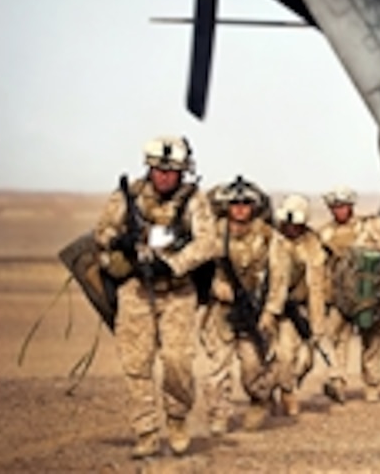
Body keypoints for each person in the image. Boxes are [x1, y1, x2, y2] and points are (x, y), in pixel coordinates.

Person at [91, 135, 217, 458]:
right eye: (158, 170)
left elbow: (207, 243)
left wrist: (173, 265)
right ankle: (146, 433)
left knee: (177, 362)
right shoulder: (127, 197)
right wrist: (119, 242)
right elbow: (101, 232)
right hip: (135, 292)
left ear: (182, 172)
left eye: (171, 171)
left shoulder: (194, 200)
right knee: (137, 365)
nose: (164, 176)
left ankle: (176, 419)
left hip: (177, 293)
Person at [200, 176, 291, 432]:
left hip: (255, 310)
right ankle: (218, 415)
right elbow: (196, 269)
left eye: (245, 203)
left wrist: (270, 313)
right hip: (220, 311)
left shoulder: (269, 238)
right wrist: (215, 287)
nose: (239, 208)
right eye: (234, 203)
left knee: (253, 368)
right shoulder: (214, 233)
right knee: (217, 367)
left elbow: (279, 279)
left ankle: (260, 400)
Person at [318, 186, 380, 403]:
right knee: (336, 339)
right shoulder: (324, 233)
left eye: (343, 206)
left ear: (351, 206)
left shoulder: (367, 227)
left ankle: (372, 385)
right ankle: (338, 381)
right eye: (335, 207)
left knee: (373, 341)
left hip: (369, 294)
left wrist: (372, 243)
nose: (339, 211)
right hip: (339, 295)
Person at [272, 194, 329, 417]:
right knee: (284, 355)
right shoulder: (272, 241)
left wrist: (317, 326)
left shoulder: (313, 246)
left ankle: (289, 385)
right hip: (271, 308)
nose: (291, 229)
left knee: (306, 360)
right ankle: (286, 393)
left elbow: (316, 288)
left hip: (298, 307)